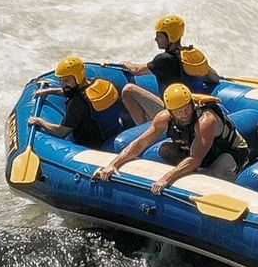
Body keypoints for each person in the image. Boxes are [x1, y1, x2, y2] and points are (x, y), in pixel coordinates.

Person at [94, 83, 249, 194]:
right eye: (178, 111)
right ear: (170, 110)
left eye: (186, 108)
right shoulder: (164, 118)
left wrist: (166, 178)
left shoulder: (206, 121)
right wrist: (114, 164)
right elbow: (141, 142)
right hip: (201, 151)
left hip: (230, 150)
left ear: (191, 103)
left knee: (215, 172)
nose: (183, 114)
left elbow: (195, 158)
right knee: (165, 150)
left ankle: (235, 185)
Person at [109, 14, 221, 124]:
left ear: (169, 37)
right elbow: (215, 78)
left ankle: (143, 129)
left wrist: (125, 63)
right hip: (195, 110)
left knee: (128, 90)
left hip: (175, 113)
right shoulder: (193, 57)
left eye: (159, 36)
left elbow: (136, 70)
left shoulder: (163, 60)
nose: (155, 39)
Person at [26, 56, 134, 147]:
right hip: (116, 132)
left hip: (96, 146)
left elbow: (61, 132)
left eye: (66, 80)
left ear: (77, 77)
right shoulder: (99, 83)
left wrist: (40, 122)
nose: (63, 85)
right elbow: (75, 91)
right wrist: (50, 91)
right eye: (61, 80)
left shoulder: (77, 103)